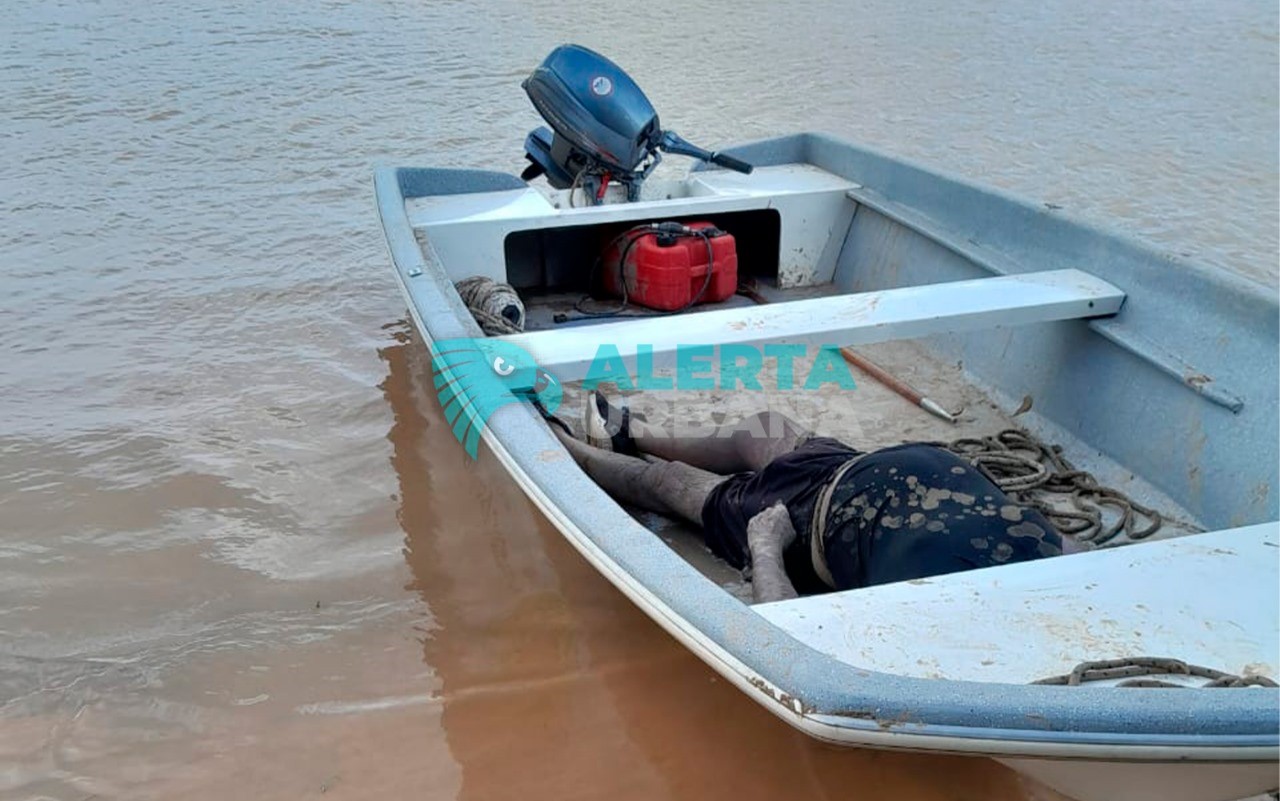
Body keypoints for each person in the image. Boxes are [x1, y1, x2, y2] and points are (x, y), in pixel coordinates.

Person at [552, 392, 1079, 604]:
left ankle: (565, 446)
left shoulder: (925, 614)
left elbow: (790, 633)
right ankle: (628, 432)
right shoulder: (1066, 565)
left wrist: (765, 546)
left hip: (804, 522)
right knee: (763, 428)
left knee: (670, 485)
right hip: (849, 464)